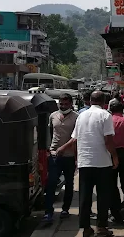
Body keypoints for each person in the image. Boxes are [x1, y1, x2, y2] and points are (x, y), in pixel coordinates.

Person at [57, 91, 119, 237]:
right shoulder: (105, 115)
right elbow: (108, 140)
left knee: (85, 197)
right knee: (103, 196)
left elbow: (75, 140)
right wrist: (115, 157)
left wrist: (78, 159)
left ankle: (85, 228)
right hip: (102, 162)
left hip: (85, 162)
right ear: (104, 102)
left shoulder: (81, 116)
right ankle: (101, 227)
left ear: (90, 101)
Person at [43, 93, 78, 222]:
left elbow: (76, 137)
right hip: (54, 156)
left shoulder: (76, 117)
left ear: (71, 104)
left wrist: (65, 149)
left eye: (65, 104)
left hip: (69, 156)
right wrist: (50, 150)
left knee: (69, 184)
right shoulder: (53, 116)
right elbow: (51, 133)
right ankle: (48, 212)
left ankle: (65, 209)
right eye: (61, 104)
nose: (63, 106)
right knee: (51, 183)